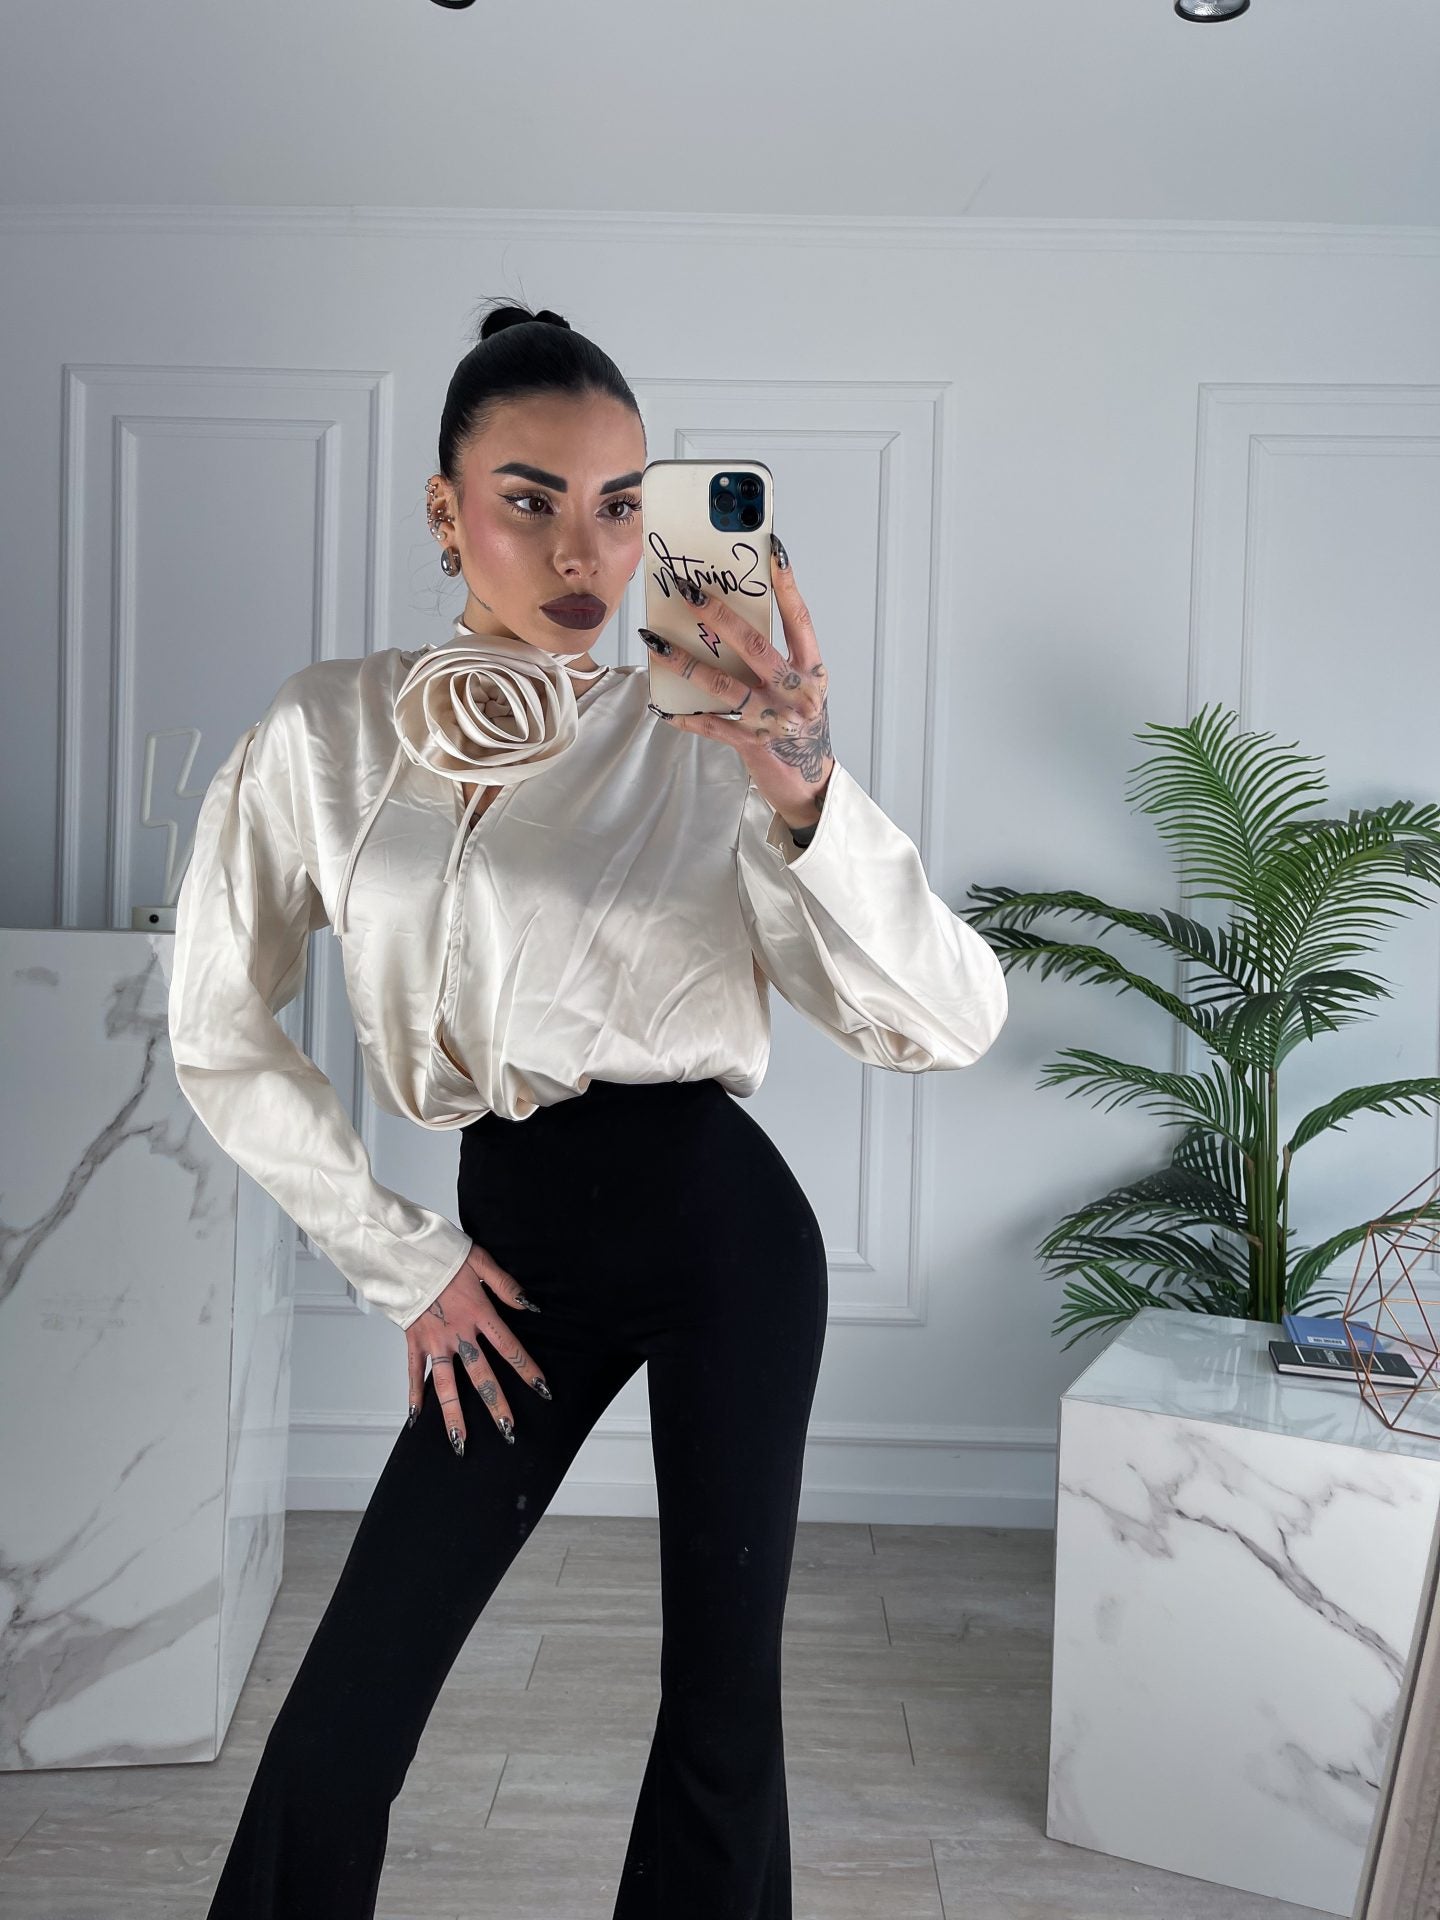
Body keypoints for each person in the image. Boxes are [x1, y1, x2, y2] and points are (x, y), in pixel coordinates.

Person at [167, 296, 1010, 1920]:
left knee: (720, 1712)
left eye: (624, 505)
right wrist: (400, 1258)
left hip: (721, 1240)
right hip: (506, 1261)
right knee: (349, 1711)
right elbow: (214, 1024)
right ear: (445, 510)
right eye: (530, 498)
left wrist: (804, 781)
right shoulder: (325, 732)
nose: (585, 550)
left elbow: (949, 1020)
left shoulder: (698, 734)